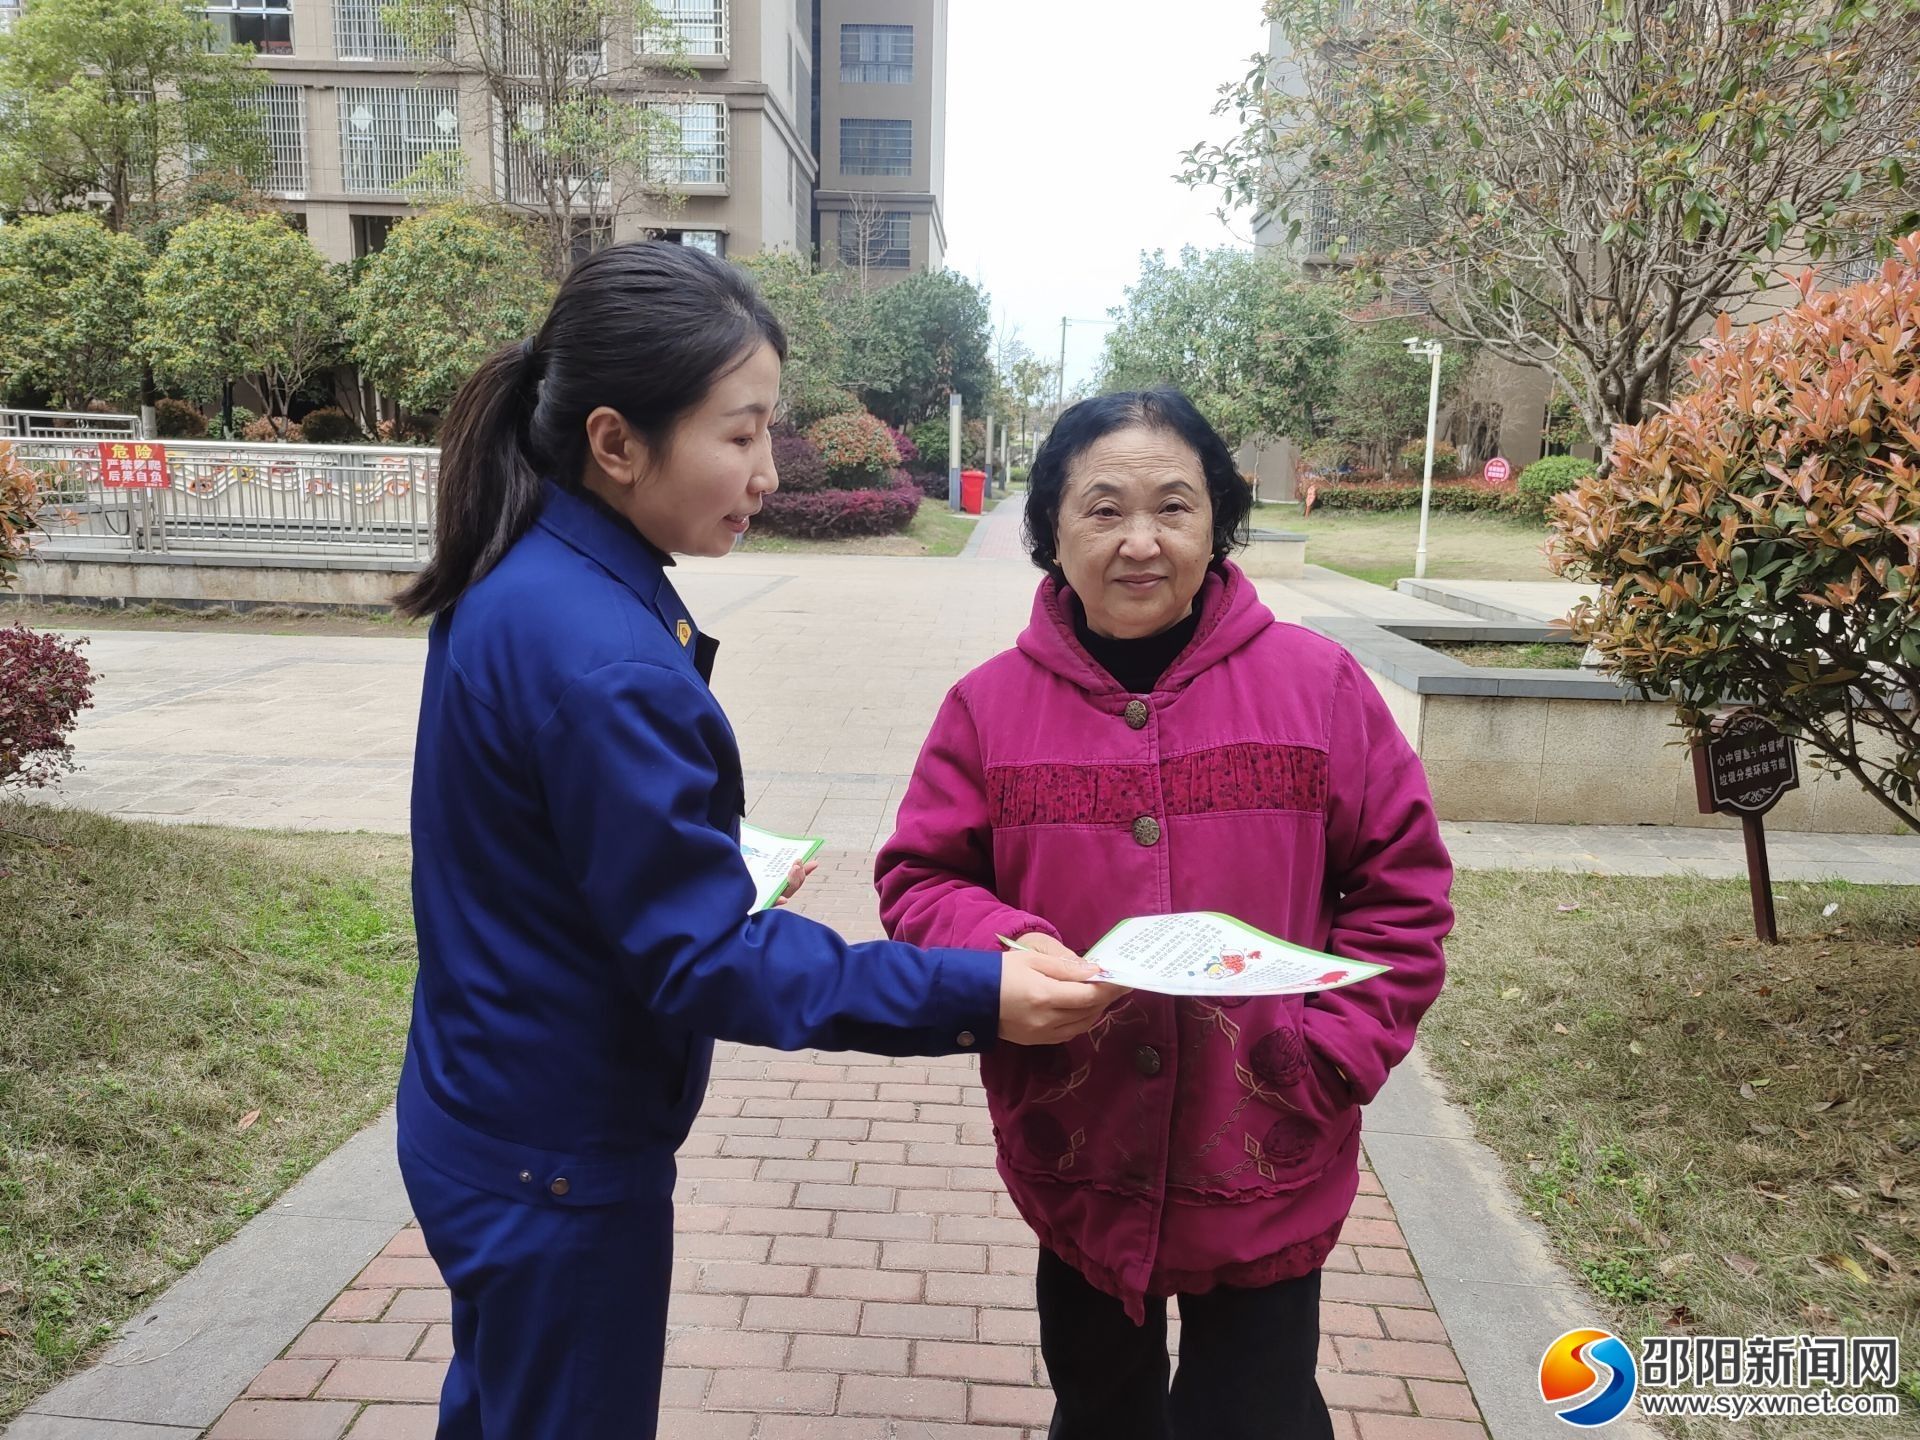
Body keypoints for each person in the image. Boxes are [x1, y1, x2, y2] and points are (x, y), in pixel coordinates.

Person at [393, 240, 1123, 1440]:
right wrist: (977, 992)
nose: (770, 472)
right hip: (558, 1158)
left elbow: (546, 846)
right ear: (616, 442)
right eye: (740, 434)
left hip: (482, 1103)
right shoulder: (603, 656)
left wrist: (689, 855)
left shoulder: (523, 575)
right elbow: (700, 959)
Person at [875, 388, 1455, 1440]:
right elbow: (921, 878)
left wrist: (1332, 1057)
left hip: (1270, 1137)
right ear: (1050, 529)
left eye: (1175, 507)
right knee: (1099, 1408)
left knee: (1257, 1414)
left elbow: (1403, 892)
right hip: (1077, 1138)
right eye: (1103, 509)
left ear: (1217, 521)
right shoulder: (988, 708)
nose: (1141, 542)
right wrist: (1005, 951)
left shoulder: (1319, 687)